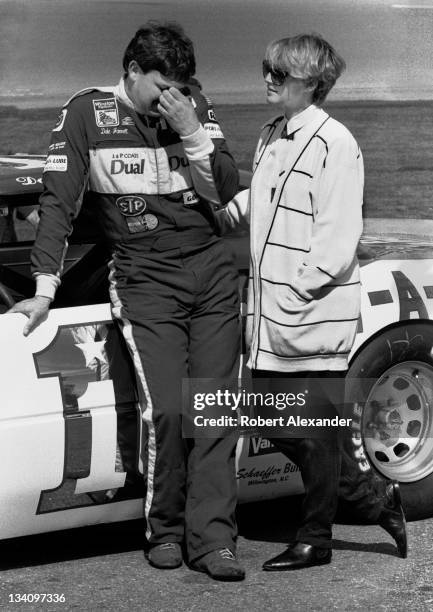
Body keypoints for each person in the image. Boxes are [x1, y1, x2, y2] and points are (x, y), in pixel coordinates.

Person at [9, 22, 244, 581]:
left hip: (211, 270)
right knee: (166, 409)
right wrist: (43, 290)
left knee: (213, 411)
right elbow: (58, 205)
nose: (172, 98)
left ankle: (213, 540)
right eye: (161, 86)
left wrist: (193, 131)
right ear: (132, 71)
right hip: (144, 276)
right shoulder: (86, 113)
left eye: (181, 87)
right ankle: (164, 528)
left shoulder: (192, 106)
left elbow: (230, 190)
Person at [224, 33, 407, 570]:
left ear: (312, 83)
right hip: (269, 315)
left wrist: (298, 286)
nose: (268, 81)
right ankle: (373, 498)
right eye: (267, 71)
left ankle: (316, 539)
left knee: (307, 425)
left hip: (310, 311)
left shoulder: (335, 143)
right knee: (272, 416)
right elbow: (259, 197)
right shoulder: (270, 134)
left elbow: (338, 231)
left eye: (279, 75)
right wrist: (217, 215)